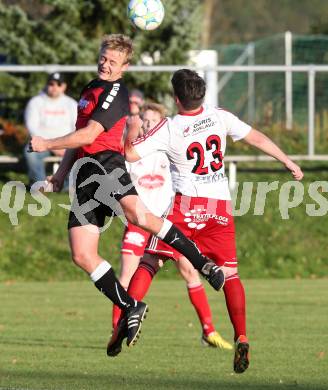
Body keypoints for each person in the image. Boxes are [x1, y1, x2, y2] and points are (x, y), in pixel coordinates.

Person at [29, 36, 225, 350]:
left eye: (112, 61)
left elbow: (92, 134)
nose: (105, 64)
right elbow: (79, 138)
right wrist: (59, 177)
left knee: (139, 216)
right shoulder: (90, 87)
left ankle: (201, 262)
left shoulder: (115, 93)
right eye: (103, 57)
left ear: (125, 66)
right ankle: (131, 307)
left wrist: (46, 144)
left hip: (107, 166)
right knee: (82, 254)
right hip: (84, 175)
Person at [123, 69, 304, 373]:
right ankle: (242, 335)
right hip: (219, 207)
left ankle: (130, 312)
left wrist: (131, 128)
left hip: (185, 206)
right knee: (230, 274)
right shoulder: (220, 116)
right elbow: (255, 136)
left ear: (176, 98)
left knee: (151, 260)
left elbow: (130, 154)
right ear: (202, 95)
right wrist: (286, 160)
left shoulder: (170, 127)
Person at [110, 102, 232, 353]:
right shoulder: (133, 151)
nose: (146, 124)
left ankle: (208, 331)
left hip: (168, 223)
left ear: (161, 124)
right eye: (143, 120)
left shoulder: (168, 148)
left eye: (152, 121)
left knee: (189, 272)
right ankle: (117, 329)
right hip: (140, 222)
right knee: (127, 276)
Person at [24, 72, 77, 186]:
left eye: (59, 84)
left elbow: (77, 128)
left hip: (66, 144)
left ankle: (67, 186)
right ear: (47, 85)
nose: (55, 87)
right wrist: (51, 145)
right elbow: (32, 127)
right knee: (30, 153)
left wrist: (64, 144)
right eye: (51, 84)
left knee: (79, 151)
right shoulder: (36, 102)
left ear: (64, 86)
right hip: (42, 144)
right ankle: (40, 186)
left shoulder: (71, 104)